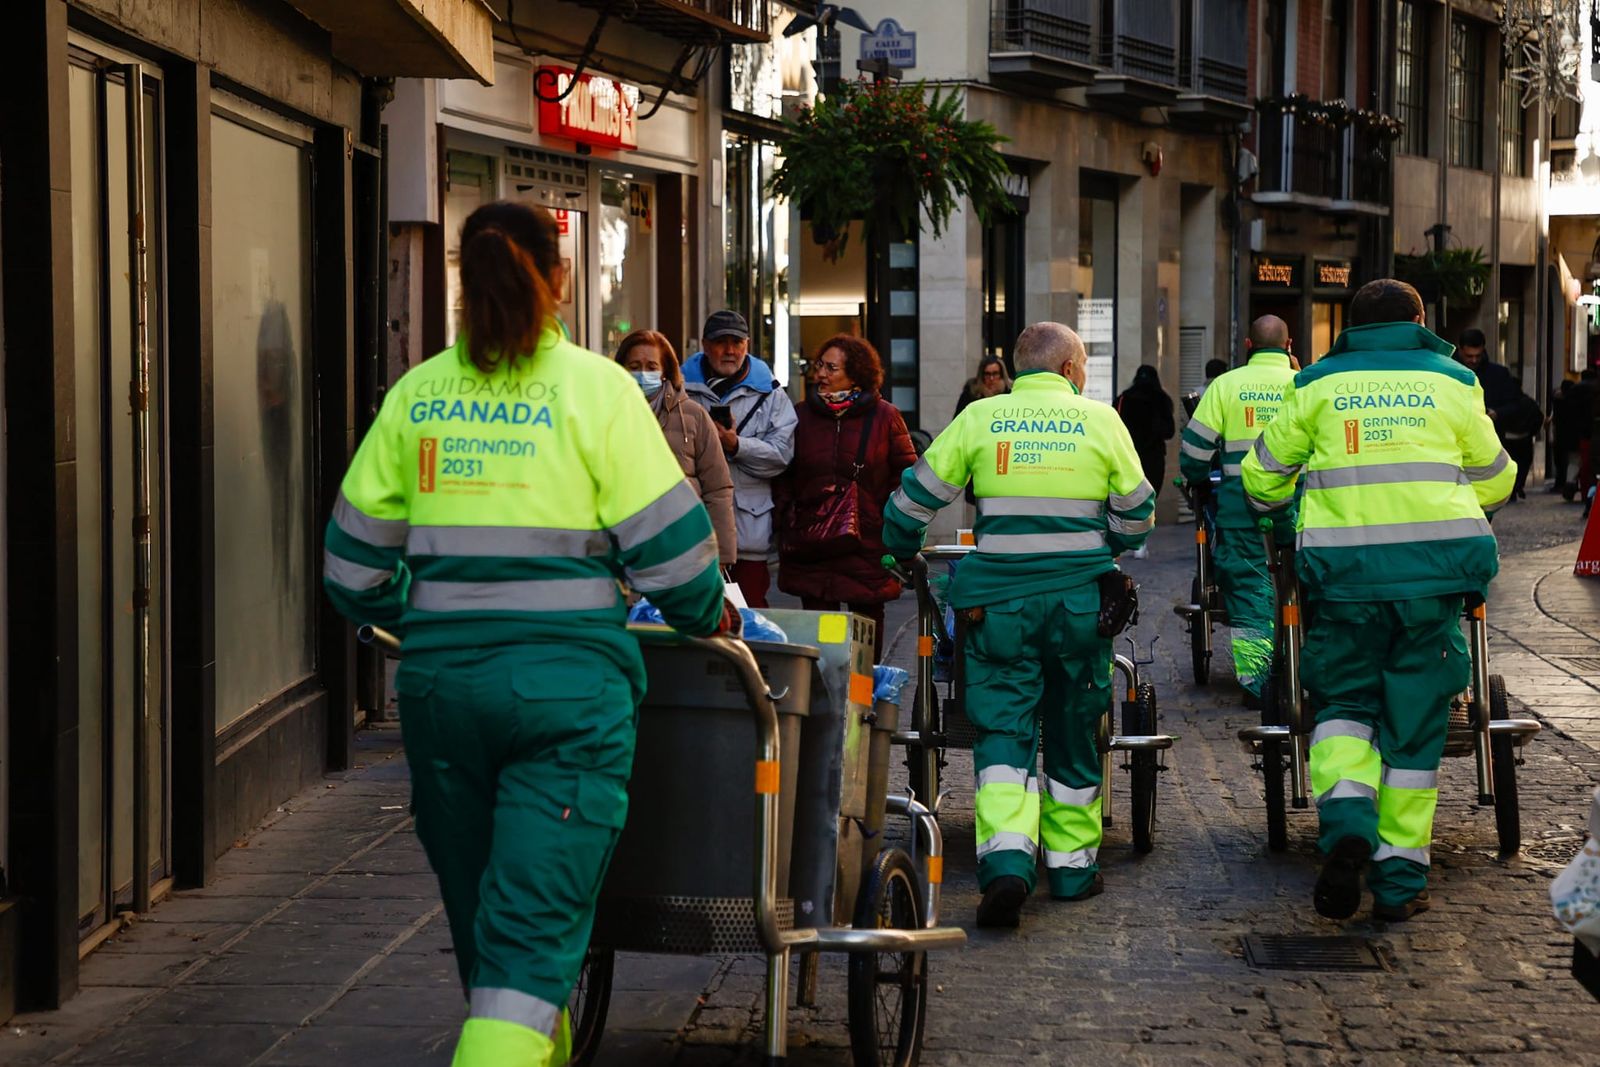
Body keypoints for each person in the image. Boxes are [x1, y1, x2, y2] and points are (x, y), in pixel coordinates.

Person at [323, 201, 735, 1067]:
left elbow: (352, 571)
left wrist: (429, 615)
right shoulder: (597, 392)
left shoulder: (418, 394)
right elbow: (673, 557)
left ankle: (534, 1041)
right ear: (561, 279)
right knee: (527, 932)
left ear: (464, 281)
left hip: (441, 693)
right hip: (568, 698)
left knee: (487, 921)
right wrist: (709, 614)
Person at [1242, 278, 1515, 924]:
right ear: (1419, 320)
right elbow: (1497, 477)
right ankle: (1398, 883)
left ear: (1351, 327)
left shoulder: (1315, 383)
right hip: (1432, 584)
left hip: (1344, 583)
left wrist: (1289, 504)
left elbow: (1261, 478)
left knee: (1342, 707)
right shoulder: (1455, 380)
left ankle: (1347, 823)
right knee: (1415, 731)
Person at [883, 322, 1155, 928]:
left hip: (997, 605)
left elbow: (913, 499)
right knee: (1073, 734)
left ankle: (1007, 864)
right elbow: (1139, 513)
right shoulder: (1100, 421)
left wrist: (900, 547)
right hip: (1078, 606)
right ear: (1070, 369)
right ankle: (1072, 871)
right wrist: (1100, 547)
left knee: (1003, 736)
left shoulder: (981, 417)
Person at [1178, 316, 1298, 704]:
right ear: (1289, 345)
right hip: (1299, 509)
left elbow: (1195, 453)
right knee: (1303, 584)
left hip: (1240, 509)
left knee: (1248, 592)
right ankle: (1299, 671)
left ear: (1247, 345)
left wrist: (1198, 478)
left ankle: (1258, 686)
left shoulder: (1226, 386)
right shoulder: (1304, 384)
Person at [776, 335, 916, 663]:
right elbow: (783, 472)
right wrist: (787, 515)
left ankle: (863, 692)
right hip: (812, 545)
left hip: (865, 546)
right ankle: (827, 695)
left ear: (855, 374)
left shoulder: (885, 416)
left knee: (865, 639)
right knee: (819, 640)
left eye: (831, 367)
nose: (820, 374)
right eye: (819, 366)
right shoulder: (801, 416)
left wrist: (885, 520)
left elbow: (906, 475)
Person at [683, 310, 798, 608]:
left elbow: (781, 456)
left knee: (750, 614)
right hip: (693, 529)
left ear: (747, 345)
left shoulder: (770, 393)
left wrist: (736, 446)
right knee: (696, 612)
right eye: (721, 342)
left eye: (737, 342)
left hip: (749, 532)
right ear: (705, 346)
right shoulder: (680, 389)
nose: (730, 350)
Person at [615, 329, 737, 566]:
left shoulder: (694, 416)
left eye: (651, 367)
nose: (643, 374)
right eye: (635, 366)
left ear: (665, 371)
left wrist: (722, 555)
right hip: (625, 549)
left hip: (682, 548)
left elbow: (718, 489)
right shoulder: (606, 416)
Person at [1115, 364, 1177, 498]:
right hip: (1153, 459)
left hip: (1128, 457)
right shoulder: (1161, 400)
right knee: (1150, 498)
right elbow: (1169, 431)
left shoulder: (1123, 399)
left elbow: (1113, 428)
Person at [1455, 327, 1519, 425]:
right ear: (1460, 350)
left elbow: (1514, 405)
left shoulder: (1499, 374)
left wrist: (1497, 413)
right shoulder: (1447, 373)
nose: (1474, 360)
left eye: (1478, 356)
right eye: (1469, 356)